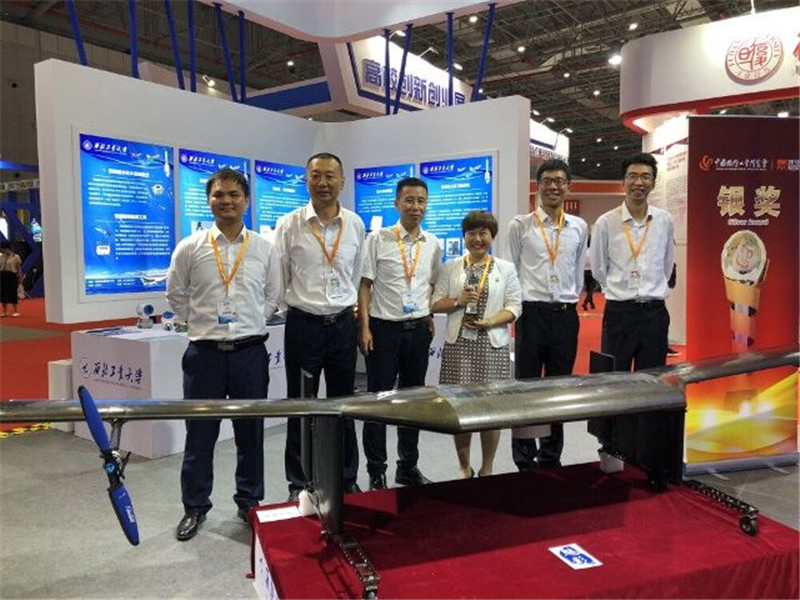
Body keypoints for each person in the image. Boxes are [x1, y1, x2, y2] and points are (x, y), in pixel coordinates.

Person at [166, 167, 282, 541]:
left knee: (251, 433)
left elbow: (274, 294)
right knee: (200, 435)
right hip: (205, 355)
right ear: (209, 200)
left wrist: (253, 319)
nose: (226, 201)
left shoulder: (264, 248)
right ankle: (195, 506)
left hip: (250, 353)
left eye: (234, 194)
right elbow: (175, 294)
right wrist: (199, 321)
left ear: (246, 200)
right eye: (219, 194)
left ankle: (249, 502)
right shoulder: (190, 247)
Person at [275, 152, 364, 501]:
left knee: (344, 405)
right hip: (303, 326)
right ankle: (299, 483)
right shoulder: (289, 224)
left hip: (342, 325)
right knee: (300, 406)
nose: (323, 183)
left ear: (342, 181)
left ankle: (346, 478)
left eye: (330, 176)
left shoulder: (355, 225)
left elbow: (354, 274)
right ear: (306, 180)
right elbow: (280, 275)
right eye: (316, 176)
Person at [590, 152, 675, 469]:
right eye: (633, 176)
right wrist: (622, 290)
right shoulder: (606, 222)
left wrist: (649, 290)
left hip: (654, 313)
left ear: (653, 182)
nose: (639, 182)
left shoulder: (664, 220)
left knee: (652, 383)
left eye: (645, 177)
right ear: (623, 181)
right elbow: (599, 269)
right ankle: (612, 450)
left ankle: (648, 454)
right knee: (615, 382)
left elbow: (667, 265)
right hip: (620, 313)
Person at [358, 177, 441, 490]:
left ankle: (407, 466)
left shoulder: (432, 244)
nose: (415, 207)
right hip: (384, 331)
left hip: (417, 331)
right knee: (378, 402)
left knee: (413, 402)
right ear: (397, 203)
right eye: (409, 200)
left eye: (421, 201)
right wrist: (364, 327)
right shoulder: (378, 239)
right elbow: (365, 285)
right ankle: (376, 470)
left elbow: (430, 284)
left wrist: (428, 314)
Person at [506, 159, 588, 470]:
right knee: (526, 388)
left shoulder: (579, 227)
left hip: (565, 315)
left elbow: (578, 272)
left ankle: (551, 456)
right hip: (531, 314)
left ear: (569, 186)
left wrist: (569, 299)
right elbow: (511, 271)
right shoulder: (520, 225)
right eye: (547, 181)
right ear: (538, 186)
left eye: (559, 181)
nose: (553, 186)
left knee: (559, 389)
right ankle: (524, 459)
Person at [431, 210, 521, 478]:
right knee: (460, 409)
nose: (477, 238)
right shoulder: (451, 267)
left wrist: (491, 321)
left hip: (492, 346)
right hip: (458, 346)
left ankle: (487, 466)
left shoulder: (505, 268)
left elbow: (515, 306)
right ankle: (463, 466)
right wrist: (458, 300)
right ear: (464, 236)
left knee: (491, 408)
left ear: (492, 236)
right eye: (471, 233)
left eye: (483, 233)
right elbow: (435, 303)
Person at [0, 241, 23, 318]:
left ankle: (16, 311)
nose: (1, 251)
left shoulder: (16, 257)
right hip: (2, 275)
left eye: (2, 249)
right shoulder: (1, 257)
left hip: (11, 276)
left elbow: (19, 268)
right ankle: (4, 311)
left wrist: (20, 278)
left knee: (13, 293)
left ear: (7, 248)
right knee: (3, 293)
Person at [582, 236, 596, 311]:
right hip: (592, 271)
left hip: (585, 271)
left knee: (588, 289)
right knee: (591, 289)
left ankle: (591, 303)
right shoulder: (592, 251)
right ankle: (585, 302)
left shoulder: (584, 252)